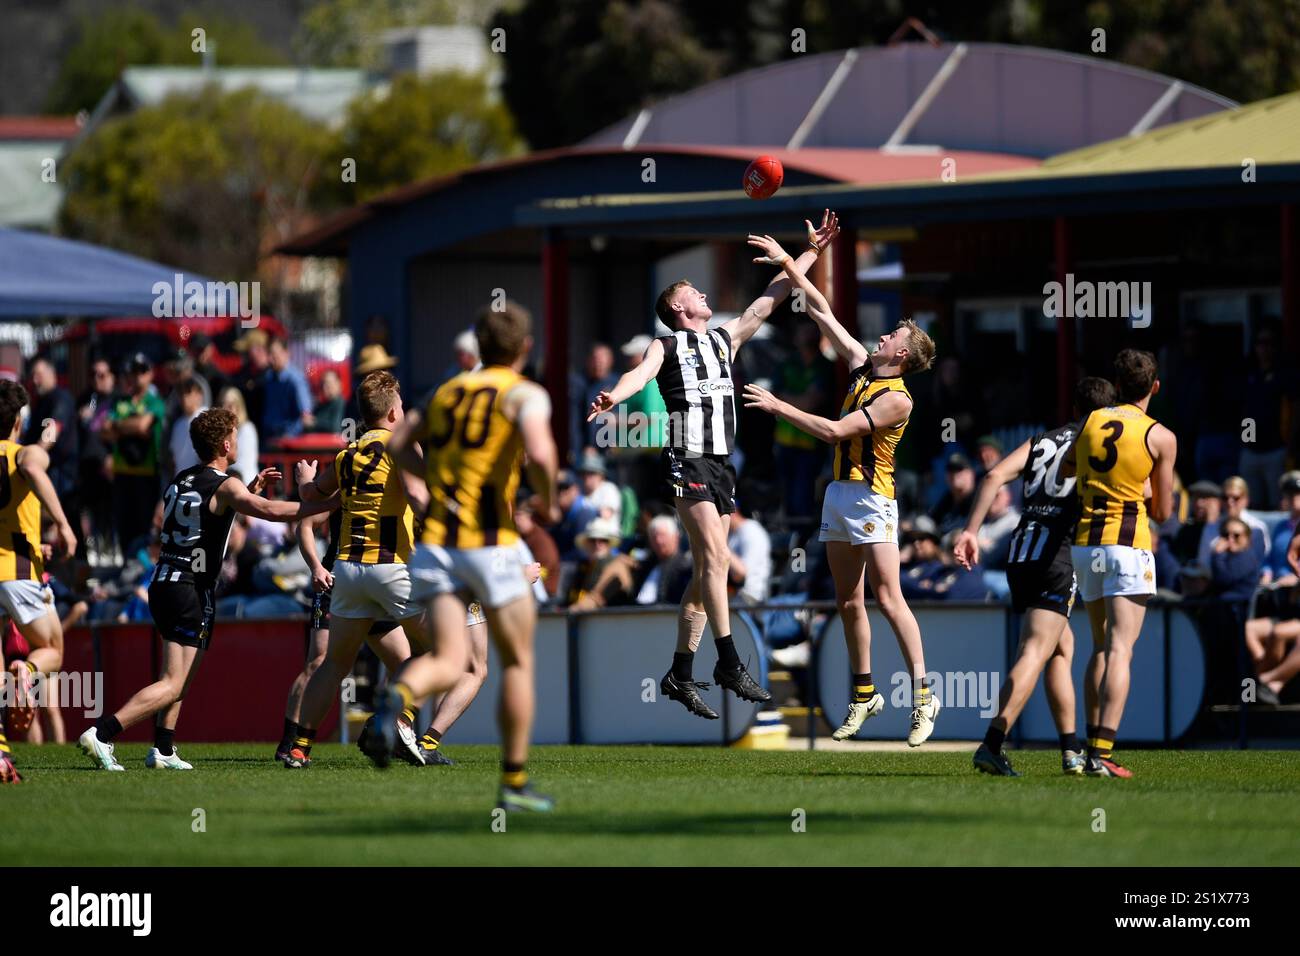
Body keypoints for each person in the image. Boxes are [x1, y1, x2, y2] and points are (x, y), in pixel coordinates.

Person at [588, 211, 841, 721]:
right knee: (717, 561)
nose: (705, 296)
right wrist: (613, 395)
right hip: (688, 456)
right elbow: (640, 377)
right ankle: (728, 661)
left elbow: (770, 298)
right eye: (695, 293)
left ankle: (681, 672)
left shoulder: (724, 340)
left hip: (723, 463)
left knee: (705, 574)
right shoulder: (667, 345)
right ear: (680, 308)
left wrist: (807, 251)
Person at [740, 226, 942, 746]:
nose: (884, 335)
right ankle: (864, 694)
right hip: (838, 494)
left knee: (889, 597)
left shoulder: (899, 398)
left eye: (894, 335)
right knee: (848, 602)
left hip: (872, 496)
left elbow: (833, 431)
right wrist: (794, 257)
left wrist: (778, 405)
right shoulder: (861, 367)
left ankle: (924, 693)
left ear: (904, 354)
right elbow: (820, 308)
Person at [77, 408, 337, 771]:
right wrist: (328, 503)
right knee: (172, 682)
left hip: (166, 582)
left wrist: (247, 491)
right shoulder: (225, 483)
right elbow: (268, 511)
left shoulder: (181, 480)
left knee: (179, 678)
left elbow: (207, 517)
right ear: (227, 444)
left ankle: (163, 749)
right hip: (188, 588)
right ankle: (102, 733)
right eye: (234, 434)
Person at [379, 300, 560, 812]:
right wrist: (546, 501)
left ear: (477, 348)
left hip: (434, 544)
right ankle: (515, 783)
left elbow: (398, 439)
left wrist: (429, 482)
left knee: (450, 658)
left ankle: (394, 703)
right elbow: (543, 456)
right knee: (517, 661)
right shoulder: (525, 392)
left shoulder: (446, 391)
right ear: (526, 348)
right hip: (488, 541)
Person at [955, 376, 1117, 776]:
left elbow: (993, 476)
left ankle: (1070, 750)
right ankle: (993, 743)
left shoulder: (1043, 439)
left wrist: (970, 530)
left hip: (1022, 548)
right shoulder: (1096, 444)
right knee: (1035, 650)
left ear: (1075, 408)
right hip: (1056, 555)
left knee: (1062, 648)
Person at [284, 371, 428, 768]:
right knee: (444, 650)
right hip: (391, 568)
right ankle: (393, 720)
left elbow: (314, 495)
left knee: (334, 665)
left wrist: (305, 481)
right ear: (395, 414)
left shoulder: (346, 454)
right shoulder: (402, 446)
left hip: (347, 570)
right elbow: (417, 495)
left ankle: (299, 748)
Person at [1066, 349, 1177, 778]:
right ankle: (1101, 753)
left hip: (1085, 545)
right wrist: (1140, 488)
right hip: (1127, 546)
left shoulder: (1092, 420)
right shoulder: (1160, 436)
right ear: (1154, 387)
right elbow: (1164, 512)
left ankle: (1089, 745)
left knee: (1099, 647)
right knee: (1121, 651)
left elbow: (1069, 468)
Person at [0, 380, 79, 775]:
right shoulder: (25, 452)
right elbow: (31, 465)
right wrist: (63, 526)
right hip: (16, 571)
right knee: (51, 652)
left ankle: (0, 751)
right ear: (18, 421)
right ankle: (25, 673)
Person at [101, 353, 167, 551]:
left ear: (150, 374)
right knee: (123, 526)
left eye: (142, 371)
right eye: (134, 371)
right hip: (123, 474)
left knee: (145, 527)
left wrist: (119, 427)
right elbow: (104, 430)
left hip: (146, 475)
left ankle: (142, 571)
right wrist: (130, 426)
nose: (138, 376)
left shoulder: (155, 401)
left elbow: (142, 425)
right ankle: (126, 570)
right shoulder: (119, 401)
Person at [772, 323, 833, 520]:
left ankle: (801, 539)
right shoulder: (786, 363)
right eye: (803, 329)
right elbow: (774, 397)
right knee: (786, 494)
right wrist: (801, 400)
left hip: (812, 441)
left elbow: (812, 402)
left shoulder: (825, 366)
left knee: (804, 495)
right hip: (784, 440)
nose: (807, 333)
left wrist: (785, 400)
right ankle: (788, 538)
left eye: (811, 330)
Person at [262, 338, 313, 440]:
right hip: (270, 438)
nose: (270, 359)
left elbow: (305, 416)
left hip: (287, 441)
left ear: (286, 353)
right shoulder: (269, 377)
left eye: (274, 354)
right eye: (269, 354)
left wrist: (289, 435)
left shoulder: (295, 380)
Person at [726, 505, 771, 604]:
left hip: (750, 598)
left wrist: (719, 546)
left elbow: (740, 574)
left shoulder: (751, 531)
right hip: (733, 595)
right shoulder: (732, 534)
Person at [166, 378, 207, 477]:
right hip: (181, 484)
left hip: (201, 483)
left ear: (199, 395)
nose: (184, 397)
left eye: (188, 392)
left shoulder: (207, 418)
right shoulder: (178, 424)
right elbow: (173, 459)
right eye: (181, 393)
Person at [218, 387, 259, 484]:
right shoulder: (222, 431)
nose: (225, 408)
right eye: (222, 404)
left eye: (230, 405)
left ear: (239, 407)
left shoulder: (247, 429)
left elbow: (241, 464)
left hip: (245, 484)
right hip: (230, 483)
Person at [311, 369, 345, 435]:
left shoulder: (341, 404)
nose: (324, 387)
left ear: (339, 384)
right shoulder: (320, 406)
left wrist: (315, 422)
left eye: (328, 383)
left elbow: (336, 428)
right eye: (322, 384)